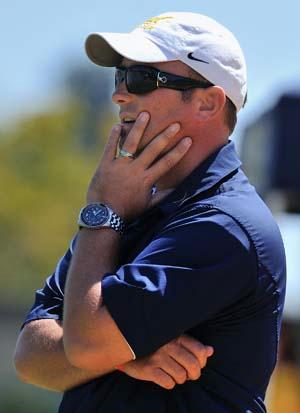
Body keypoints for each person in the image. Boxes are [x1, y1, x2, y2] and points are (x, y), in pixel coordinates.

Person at [14, 11, 286, 413]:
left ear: (209, 102)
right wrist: (122, 356)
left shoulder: (224, 225)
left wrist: (102, 209)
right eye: (119, 77)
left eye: (141, 79)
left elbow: (84, 345)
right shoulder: (124, 209)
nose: (119, 95)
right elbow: (29, 359)